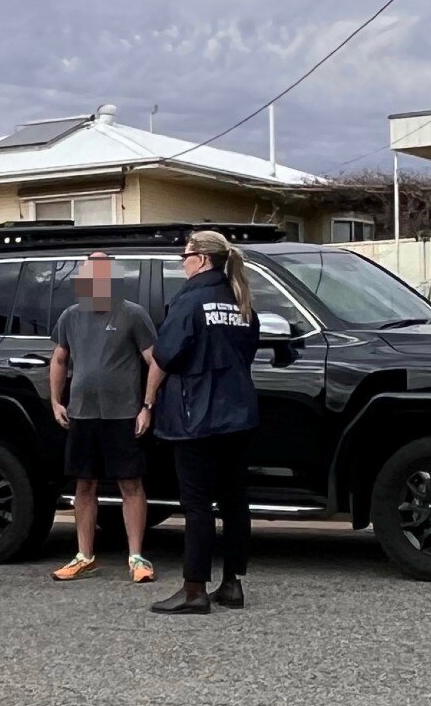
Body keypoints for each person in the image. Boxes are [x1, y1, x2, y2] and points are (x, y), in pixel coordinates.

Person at [148, 230, 261, 615]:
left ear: (201, 259)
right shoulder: (241, 300)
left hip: (197, 413)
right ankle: (232, 584)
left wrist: (148, 401)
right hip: (239, 413)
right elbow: (247, 351)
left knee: (196, 504)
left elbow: (163, 356)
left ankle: (194, 588)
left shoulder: (190, 301)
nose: (182, 262)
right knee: (234, 501)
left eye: (185, 255)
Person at [48, 252, 163, 584]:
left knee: (131, 483)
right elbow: (59, 359)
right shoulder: (71, 315)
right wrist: (56, 402)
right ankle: (84, 556)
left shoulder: (132, 314)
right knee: (84, 484)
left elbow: (154, 361)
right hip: (82, 414)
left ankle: (137, 557)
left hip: (123, 414)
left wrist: (147, 405)